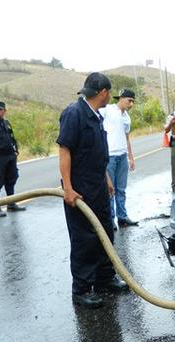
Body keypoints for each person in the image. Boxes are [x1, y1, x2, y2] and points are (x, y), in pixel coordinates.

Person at [57, 72, 128, 309]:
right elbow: (65, 150)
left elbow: (96, 154)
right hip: (80, 191)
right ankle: (82, 289)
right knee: (84, 239)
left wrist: (106, 178)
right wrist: (68, 188)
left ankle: (104, 278)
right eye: (109, 93)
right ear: (104, 93)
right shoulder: (74, 113)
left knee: (105, 232)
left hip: (97, 186)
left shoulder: (95, 116)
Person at [99, 88, 138, 230]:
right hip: (110, 155)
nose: (131, 104)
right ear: (121, 98)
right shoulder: (107, 110)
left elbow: (127, 137)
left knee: (121, 189)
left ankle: (122, 217)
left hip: (122, 156)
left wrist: (131, 157)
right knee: (110, 189)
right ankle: (110, 219)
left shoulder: (127, 117)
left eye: (133, 101)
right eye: (129, 100)